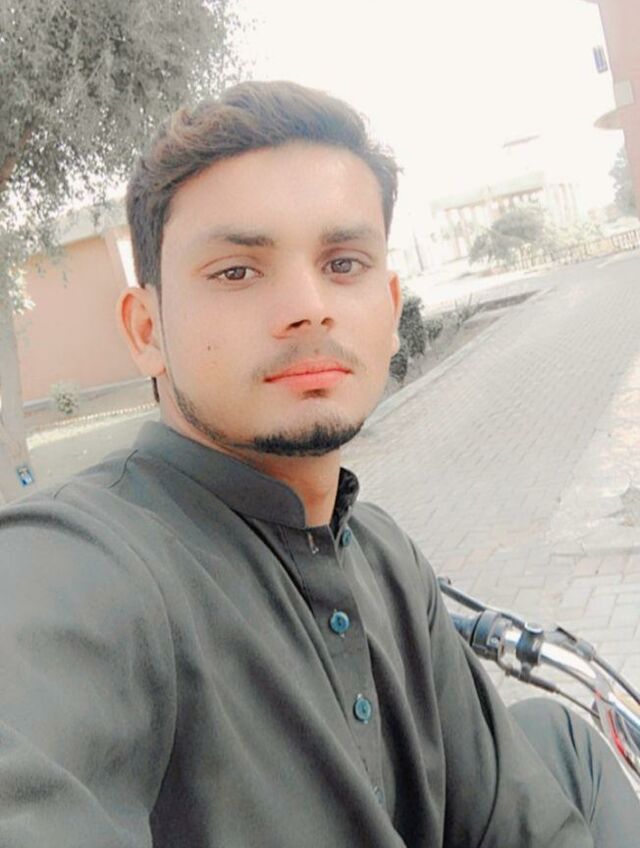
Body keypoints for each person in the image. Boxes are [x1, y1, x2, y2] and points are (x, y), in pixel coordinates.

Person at [0, 80, 637, 848]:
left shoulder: (387, 559)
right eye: (237, 271)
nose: (308, 304)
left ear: (390, 308)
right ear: (146, 330)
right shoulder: (81, 567)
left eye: (343, 262)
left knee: (562, 739)